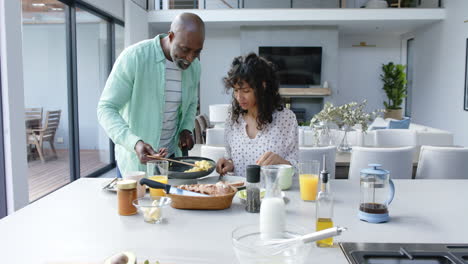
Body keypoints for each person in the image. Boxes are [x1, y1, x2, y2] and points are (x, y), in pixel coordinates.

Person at [97, 13, 205, 176]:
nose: (190, 58)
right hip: (135, 166)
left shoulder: (195, 67)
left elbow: (191, 103)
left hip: (172, 161)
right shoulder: (134, 57)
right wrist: (135, 143)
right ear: (171, 36)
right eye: (185, 49)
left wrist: (185, 129)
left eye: (196, 52)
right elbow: (106, 109)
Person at [216, 53, 298, 177]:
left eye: (246, 91)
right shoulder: (233, 121)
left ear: (263, 86)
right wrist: (229, 164)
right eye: (236, 90)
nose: (239, 97)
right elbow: (233, 160)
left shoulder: (286, 119)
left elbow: (296, 169)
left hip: (273, 194)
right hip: (241, 194)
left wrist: (281, 162)